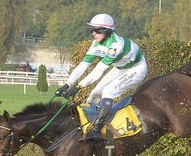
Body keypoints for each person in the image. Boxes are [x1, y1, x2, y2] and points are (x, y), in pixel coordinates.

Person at [55, 13, 147, 142]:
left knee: (108, 92)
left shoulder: (116, 46)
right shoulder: (96, 44)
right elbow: (83, 65)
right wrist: (68, 84)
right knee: (94, 94)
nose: (93, 33)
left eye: (97, 30)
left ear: (107, 31)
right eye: (92, 30)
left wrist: (79, 86)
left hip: (136, 69)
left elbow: (98, 70)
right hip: (120, 68)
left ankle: (97, 130)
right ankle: (89, 125)